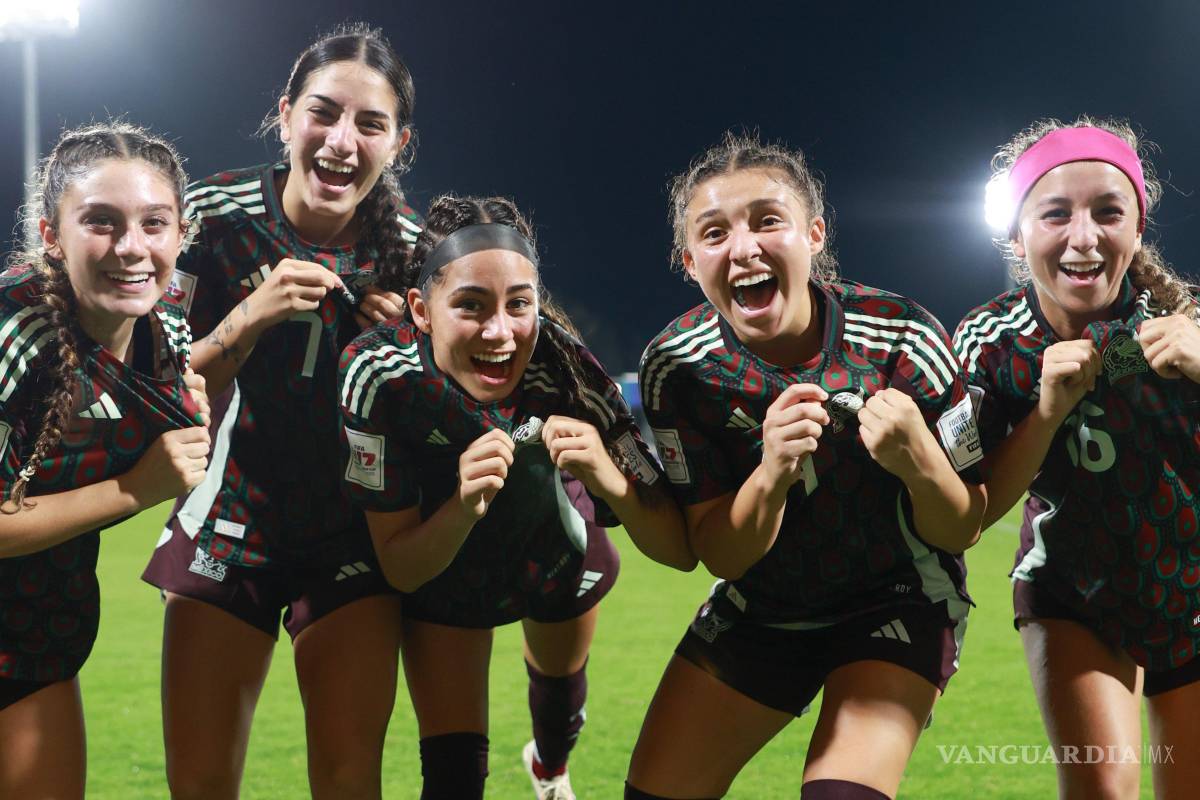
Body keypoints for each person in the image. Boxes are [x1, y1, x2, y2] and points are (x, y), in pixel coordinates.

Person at [626, 132, 986, 800]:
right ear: (689, 259)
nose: (744, 248)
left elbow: (962, 523)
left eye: (768, 221)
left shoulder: (905, 335)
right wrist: (769, 474)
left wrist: (918, 464)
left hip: (898, 597)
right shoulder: (676, 366)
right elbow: (720, 553)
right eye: (714, 233)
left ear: (813, 234)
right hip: (763, 605)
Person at [141, 25, 420, 800]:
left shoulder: (416, 252)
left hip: (353, 529)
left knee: (348, 782)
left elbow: (449, 408)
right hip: (228, 516)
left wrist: (404, 349)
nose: (341, 141)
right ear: (286, 113)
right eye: (323, 114)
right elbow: (154, 389)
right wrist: (245, 319)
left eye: (369, 124)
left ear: (398, 142)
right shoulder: (211, 217)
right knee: (199, 786)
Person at [339, 194, 694, 800]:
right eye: (471, 306)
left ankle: (550, 770)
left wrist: (608, 477)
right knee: (453, 776)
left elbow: (676, 545)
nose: (500, 333)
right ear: (421, 311)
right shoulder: (379, 373)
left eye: (519, 305)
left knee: (558, 701)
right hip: (447, 561)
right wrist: (462, 506)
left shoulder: (565, 367)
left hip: (555, 543)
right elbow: (399, 565)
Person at [954, 117, 1200, 799]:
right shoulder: (986, 343)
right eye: (1056, 212)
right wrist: (1045, 410)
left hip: (1193, 591)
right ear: (1018, 230)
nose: (1084, 237)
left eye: (1107, 212)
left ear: (1137, 230)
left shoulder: (1184, 323)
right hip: (1073, 589)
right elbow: (967, 515)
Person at [0, 121, 210, 799]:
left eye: (155, 223)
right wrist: (134, 488)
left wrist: (186, 405)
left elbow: (157, 403)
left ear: (182, 233)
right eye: (101, 221)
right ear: (51, 237)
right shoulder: (14, 335)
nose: (132, 248)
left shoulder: (168, 324)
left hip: (36, 630)